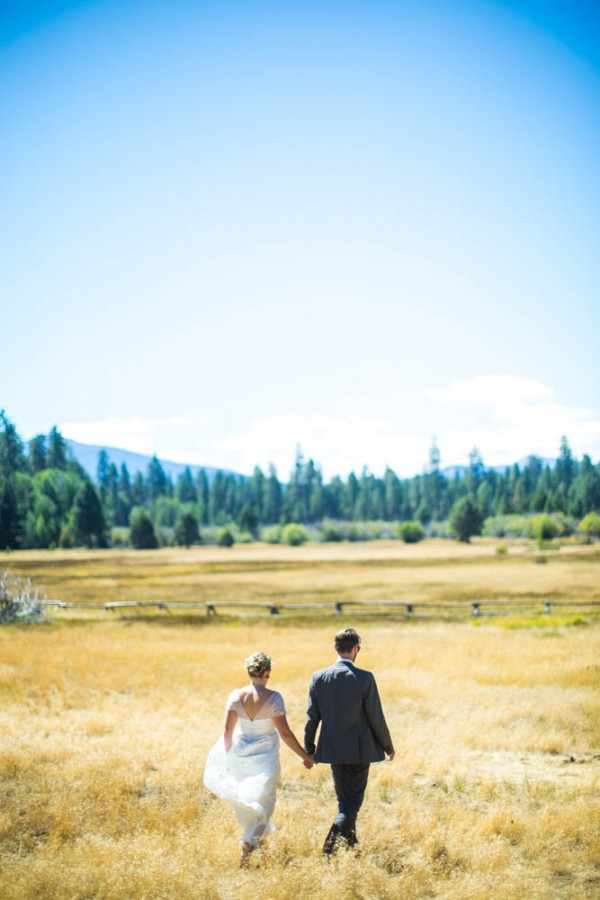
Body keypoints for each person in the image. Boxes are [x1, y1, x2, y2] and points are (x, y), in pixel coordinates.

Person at [204, 651, 313, 865]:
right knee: (265, 804)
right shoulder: (274, 698)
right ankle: (248, 845)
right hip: (266, 760)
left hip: (242, 757)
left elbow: (227, 733)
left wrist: (229, 760)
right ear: (268, 672)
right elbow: (286, 733)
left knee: (252, 804)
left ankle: (262, 853)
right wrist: (305, 756)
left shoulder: (235, 696)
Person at [304, 627, 395, 855]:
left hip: (333, 751)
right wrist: (388, 746)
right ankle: (328, 851)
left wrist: (309, 748)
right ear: (355, 648)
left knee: (344, 801)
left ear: (336, 648)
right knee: (350, 804)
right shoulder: (364, 678)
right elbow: (376, 716)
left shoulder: (319, 677)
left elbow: (311, 717)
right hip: (359, 751)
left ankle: (353, 848)